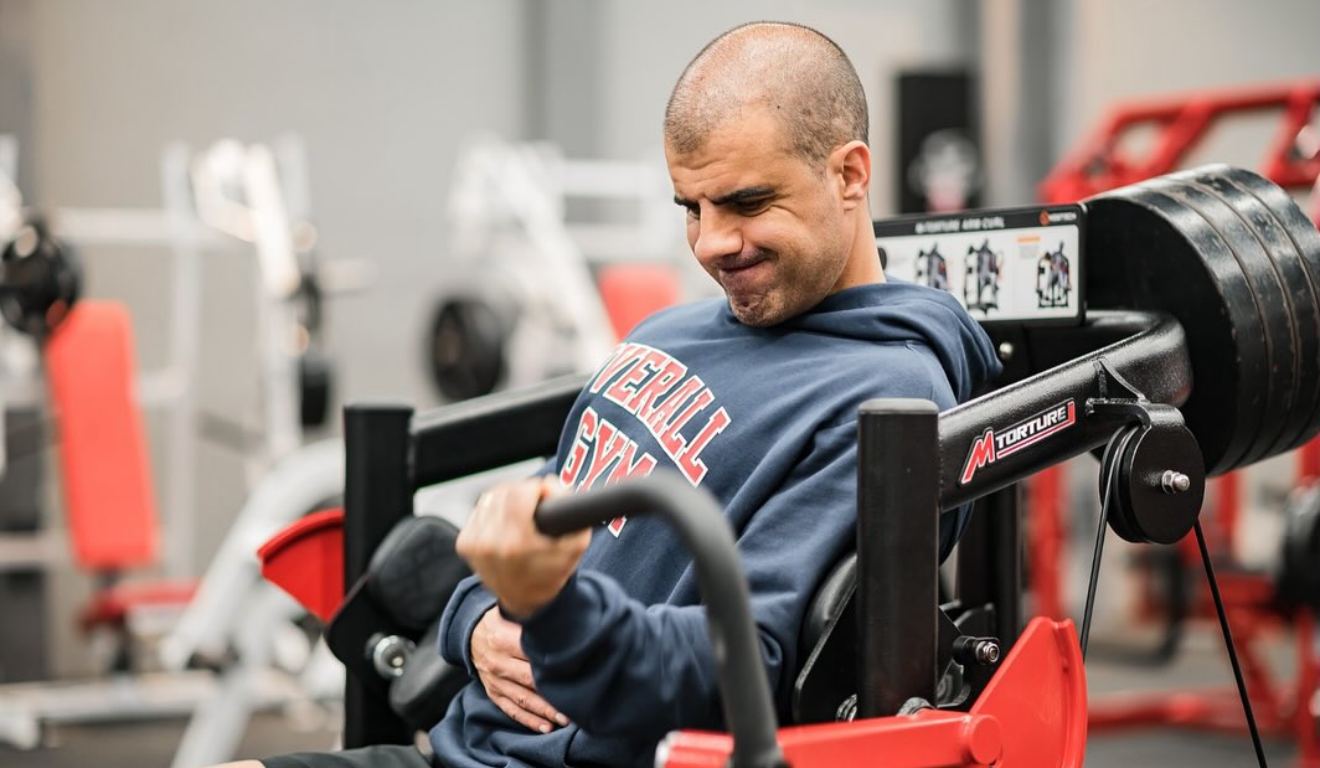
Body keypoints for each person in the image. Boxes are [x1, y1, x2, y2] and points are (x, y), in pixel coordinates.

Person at [223, 19, 999, 768]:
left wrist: (552, 612)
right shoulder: (670, 333)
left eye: (747, 203)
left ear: (850, 174)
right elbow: (536, 518)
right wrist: (473, 622)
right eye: (692, 208)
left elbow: (740, 667)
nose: (710, 244)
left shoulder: (888, 395)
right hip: (459, 749)